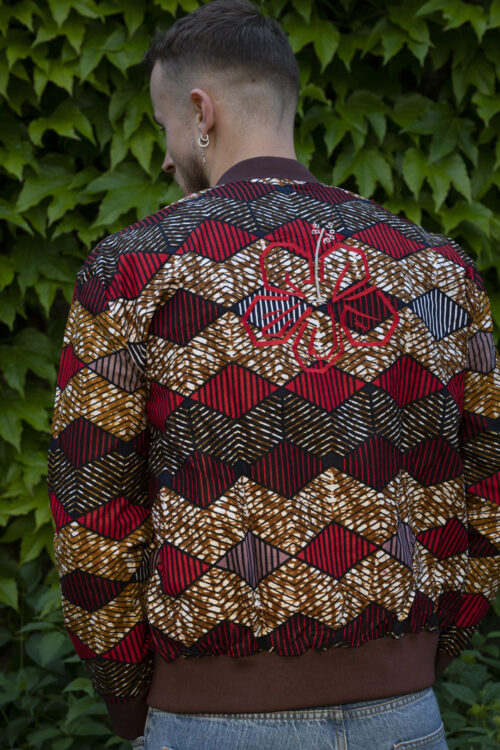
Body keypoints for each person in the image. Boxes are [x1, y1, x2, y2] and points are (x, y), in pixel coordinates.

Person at [47, 1, 500, 748]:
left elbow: (92, 511)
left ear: (202, 112)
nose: (165, 159)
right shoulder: (435, 268)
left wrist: (130, 704)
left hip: (211, 721)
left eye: (164, 127)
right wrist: (412, 660)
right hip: (403, 717)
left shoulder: (134, 269)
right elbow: (484, 491)